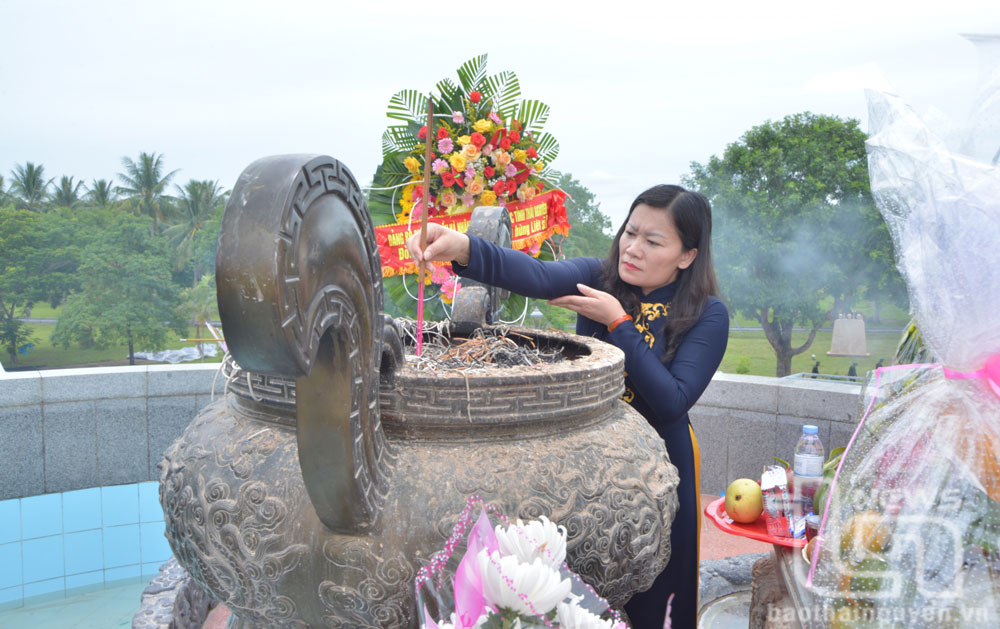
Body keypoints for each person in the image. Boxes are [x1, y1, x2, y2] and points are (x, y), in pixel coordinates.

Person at [408, 184, 729, 628]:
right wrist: (462, 246)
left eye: (653, 242)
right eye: (630, 233)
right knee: (585, 581)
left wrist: (616, 321)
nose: (632, 249)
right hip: (593, 453)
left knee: (658, 590)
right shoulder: (600, 276)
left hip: (663, 466)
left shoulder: (707, 314)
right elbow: (536, 275)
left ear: (687, 256)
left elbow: (672, 401)